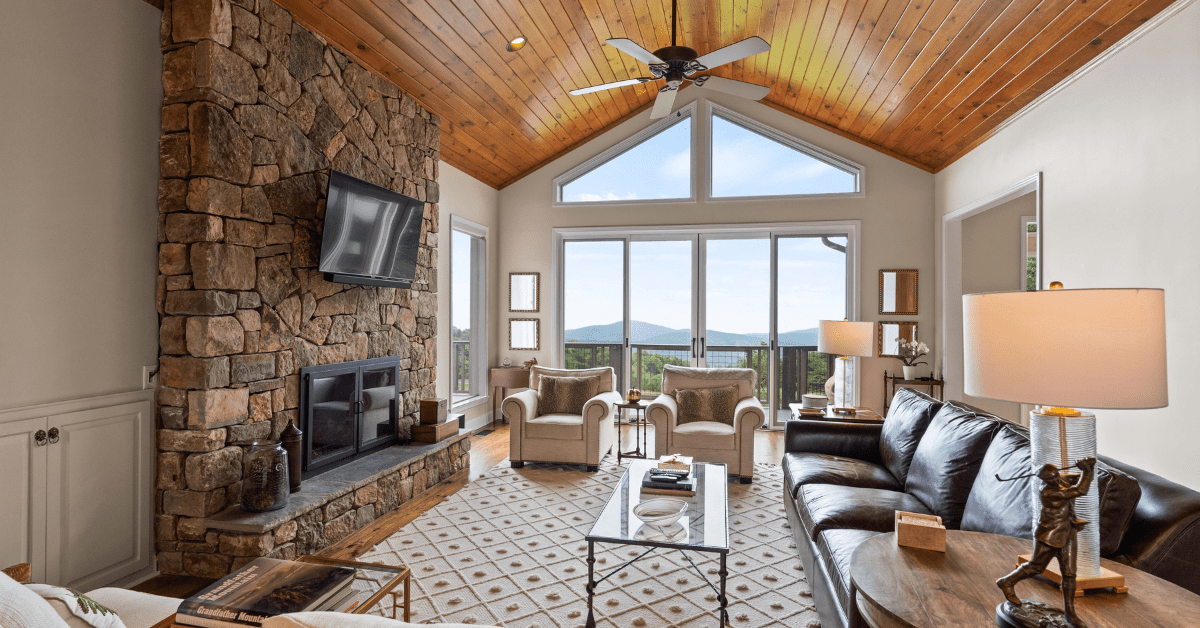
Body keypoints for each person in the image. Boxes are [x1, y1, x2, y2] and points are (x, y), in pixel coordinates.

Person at [996, 456, 1096, 628]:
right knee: (1036, 567)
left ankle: (1070, 614)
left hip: (1068, 533)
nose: (1057, 479)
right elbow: (1080, 490)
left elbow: (1072, 478)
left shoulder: (1059, 481)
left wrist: (1086, 466)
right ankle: (1007, 581)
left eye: (1057, 475)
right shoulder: (1048, 492)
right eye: (1052, 479)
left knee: (1070, 574)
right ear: (1044, 480)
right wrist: (1087, 471)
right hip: (1049, 535)